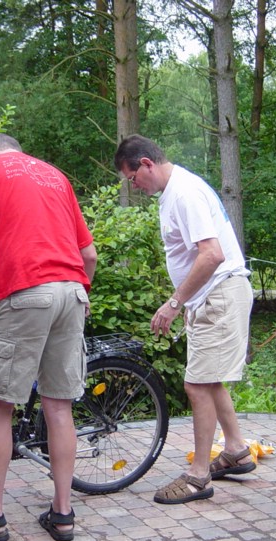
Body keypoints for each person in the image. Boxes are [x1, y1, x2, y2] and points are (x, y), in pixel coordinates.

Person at [0, 133, 97, 541]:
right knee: (59, 406)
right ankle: (63, 515)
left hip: (23, 292)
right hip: (71, 289)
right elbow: (89, 256)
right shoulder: (56, 176)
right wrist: (79, 289)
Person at [114, 134, 255, 504]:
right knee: (209, 381)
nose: (135, 186)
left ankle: (198, 477)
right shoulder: (175, 191)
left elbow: (212, 255)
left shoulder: (184, 193)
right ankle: (236, 450)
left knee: (196, 386)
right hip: (211, 298)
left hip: (219, 295)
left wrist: (175, 302)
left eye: (133, 178)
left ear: (146, 163)